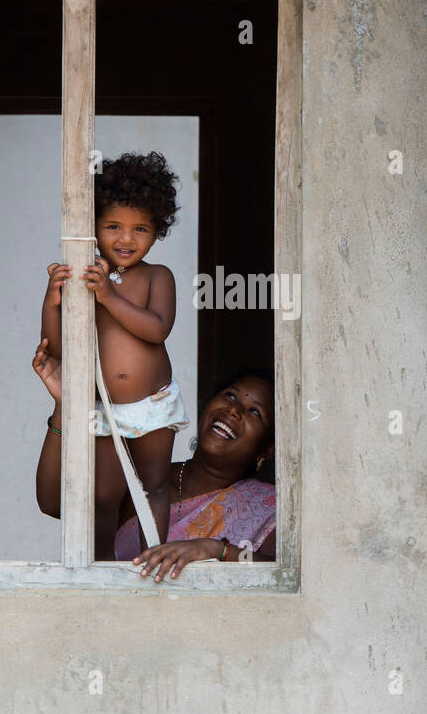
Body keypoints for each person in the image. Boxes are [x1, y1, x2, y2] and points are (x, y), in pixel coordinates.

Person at [37, 150, 188, 559]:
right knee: (102, 496)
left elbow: (157, 329)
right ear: (94, 229)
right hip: (101, 408)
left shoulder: (158, 276)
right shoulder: (87, 277)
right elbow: (57, 347)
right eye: (114, 226)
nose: (126, 239)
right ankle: (102, 571)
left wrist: (109, 295)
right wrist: (52, 301)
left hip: (152, 403)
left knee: (153, 485)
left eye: (141, 228)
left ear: (158, 230)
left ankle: (153, 556)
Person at [32, 353, 276, 580]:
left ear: (268, 448)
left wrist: (216, 550)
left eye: (255, 412)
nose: (234, 410)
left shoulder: (270, 509)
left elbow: (285, 572)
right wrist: (64, 407)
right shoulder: (145, 482)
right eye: (230, 396)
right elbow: (54, 503)